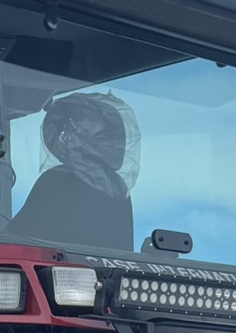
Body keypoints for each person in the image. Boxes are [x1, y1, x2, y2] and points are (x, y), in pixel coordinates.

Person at [7, 92, 140, 251]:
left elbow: (12, 239)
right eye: (114, 136)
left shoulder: (56, 180)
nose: (120, 144)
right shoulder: (118, 189)